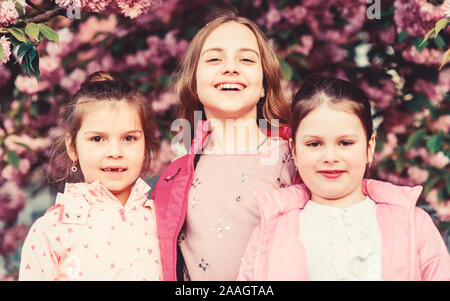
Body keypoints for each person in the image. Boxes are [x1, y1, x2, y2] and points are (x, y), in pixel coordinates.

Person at [238, 75, 450, 281]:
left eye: (345, 143)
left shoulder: (414, 224)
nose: (330, 157)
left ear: (369, 147)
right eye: (314, 144)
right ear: (294, 150)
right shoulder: (270, 231)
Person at [151, 10, 296, 281]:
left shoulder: (298, 159)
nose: (230, 67)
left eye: (246, 59)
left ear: (264, 84)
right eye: (215, 59)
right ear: (194, 83)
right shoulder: (173, 178)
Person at [19, 71, 163, 281]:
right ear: (72, 147)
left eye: (129, 138)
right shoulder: (50, 230)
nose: (115, 152)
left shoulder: (164, 221)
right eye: (97, 139)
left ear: (146, 144)